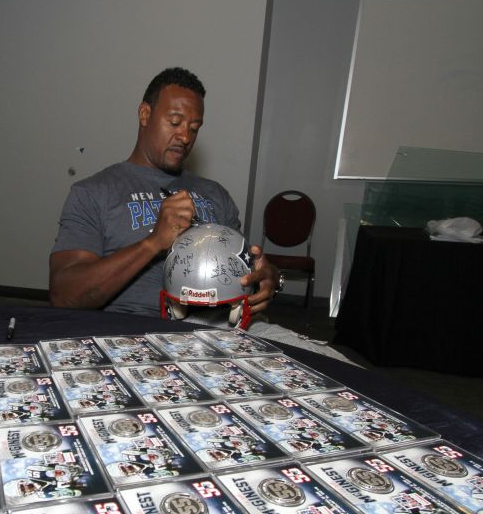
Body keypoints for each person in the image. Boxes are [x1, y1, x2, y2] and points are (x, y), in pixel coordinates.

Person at [48, 68, 355, 363]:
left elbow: (246, 269)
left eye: (194, 128)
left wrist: (267, 277)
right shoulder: (94, 192)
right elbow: (65, 295)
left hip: (228, 330)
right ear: (145, 114)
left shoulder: (215, 194)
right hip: (135, 335)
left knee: (340, 370)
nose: (185, 136)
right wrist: (153, 243)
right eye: (175, 121)